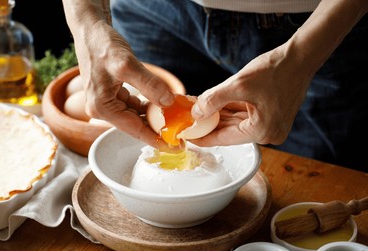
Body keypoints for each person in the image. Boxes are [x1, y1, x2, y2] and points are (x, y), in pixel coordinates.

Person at [61, 0, 368, 172]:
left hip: (317, 24)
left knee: (312, 181)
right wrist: (87, 22)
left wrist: (301, 59)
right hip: (152, 11)